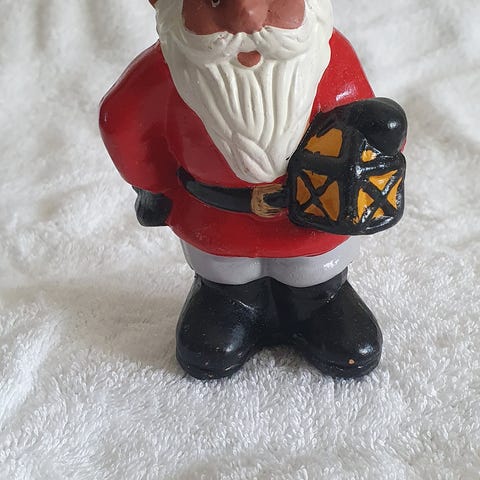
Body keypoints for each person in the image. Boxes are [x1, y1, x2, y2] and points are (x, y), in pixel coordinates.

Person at [100, 0, 407, 380]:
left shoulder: (323, 55)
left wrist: (375, 139)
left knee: (312, 273)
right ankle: (228, 304)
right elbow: (121, 125)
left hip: (311, 221)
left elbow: (368, 121)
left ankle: (320, 303)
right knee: (227, 278)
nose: (246, 17)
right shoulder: (166, 73)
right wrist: (154, 188)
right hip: (219, 221)